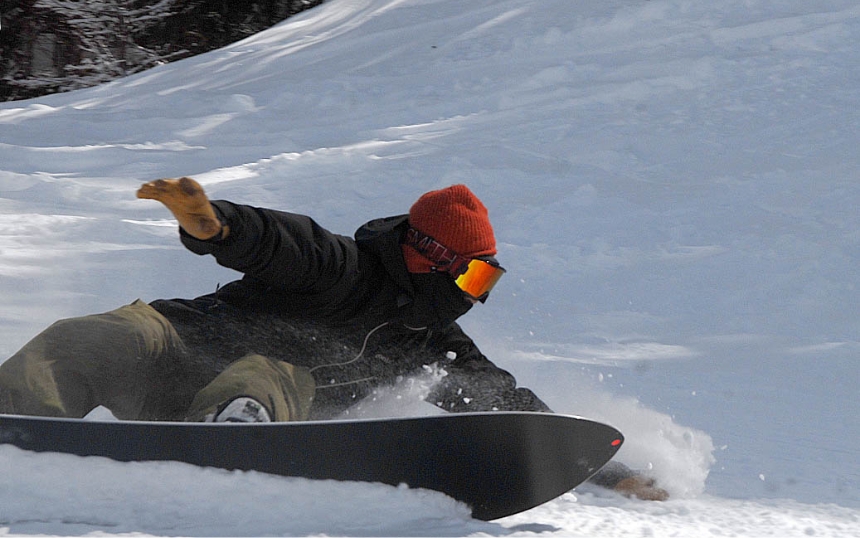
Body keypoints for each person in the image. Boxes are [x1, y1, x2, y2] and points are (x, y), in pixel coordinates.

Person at [0, 177, 667, 500]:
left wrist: (601, 467)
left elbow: (504, 405)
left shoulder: (432, 345)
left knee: (274, 372)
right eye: (471, 270)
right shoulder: (341, 265)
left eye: (487, 274)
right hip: (174, 350)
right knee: (86, 336)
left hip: (238, 401)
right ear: (425, 254)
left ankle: (232, 434)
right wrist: (216, 226)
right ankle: (13, 428)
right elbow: (281, 243)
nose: (476, 289)